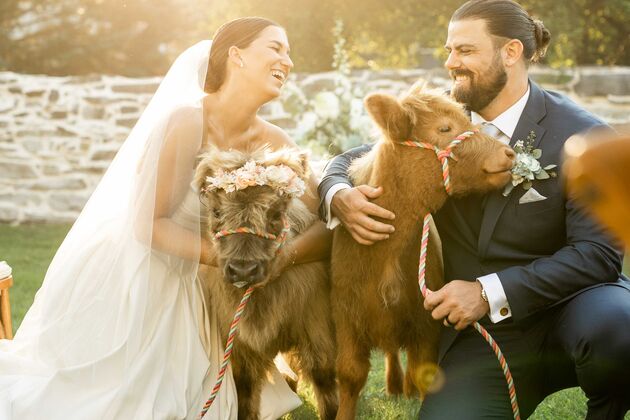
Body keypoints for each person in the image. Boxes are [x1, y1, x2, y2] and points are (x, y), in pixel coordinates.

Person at [0, 17, 330, 419]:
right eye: (275, 48)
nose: (287, 61)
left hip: (212, 288)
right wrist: (224, 258)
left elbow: (325, 225)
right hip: (148, 277)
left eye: (289, 53)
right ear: (237, 56)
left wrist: (280, 258)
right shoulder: (187, 122)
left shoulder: (277, 142)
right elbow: (150, 224)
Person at [318, 1, 630, 418]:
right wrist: (337, 193)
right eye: (449, 50)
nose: (451, 62)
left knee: (620, 329)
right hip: (479, 335)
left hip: (573, 309)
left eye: (465, 50)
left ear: (511, 52)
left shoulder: (581, 132)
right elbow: (352, 158)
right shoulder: (440, 117)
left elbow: (598, 255)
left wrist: (488, 291)